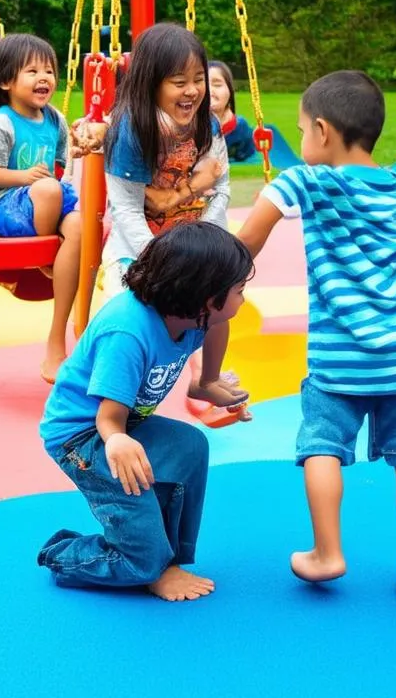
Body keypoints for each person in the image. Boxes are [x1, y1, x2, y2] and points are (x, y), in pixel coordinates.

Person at [237, 70, 396, 599]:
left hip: (338, 361)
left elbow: (248, 238)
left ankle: (328, 552)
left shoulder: (305, 181)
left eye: (305, 129)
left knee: (323, 448)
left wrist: (218, 285)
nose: (303, 139)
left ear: (323, 132)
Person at [37, 222, 253, 601]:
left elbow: (214, 344)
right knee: (139, 560)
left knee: (190, 445)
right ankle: (66, 555)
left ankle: (163, 559)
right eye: (238, 291)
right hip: (83, 435)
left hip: (122, 424)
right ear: (205, 299)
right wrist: (117, 440)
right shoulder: (127, 332)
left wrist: (208, 386)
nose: (243, 299)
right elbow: (108, 418)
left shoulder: (201, 318)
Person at [0, 33, 85, 384]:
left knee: (80, 223)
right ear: (6, 81)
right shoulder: (0, 123)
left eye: (48, 70)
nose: (44, 78)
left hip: (38, 202)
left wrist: (80, 144)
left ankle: (57, 338)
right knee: (48, 189)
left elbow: (63, 164)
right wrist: (26, 177)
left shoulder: (55, 120)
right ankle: (45, 258)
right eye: (32, 71)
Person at [94, 23, 230, 298]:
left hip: (197, 244)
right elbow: (128, 209)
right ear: (151, 84)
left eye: (199, 79)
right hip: (140, 251)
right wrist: (161, 262)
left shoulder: (207, 123)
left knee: (221, 303)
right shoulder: (129, 130)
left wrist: (204, 248)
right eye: (179, 83)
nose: (192, 91)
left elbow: (220, 189)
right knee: (130, 312)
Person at [209, 60, 256, 161]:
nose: (210, 91)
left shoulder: (241, 127)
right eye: (203, 85)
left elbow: (249, 155)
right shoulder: (188, 128)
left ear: (230, 89)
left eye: (217, 85)